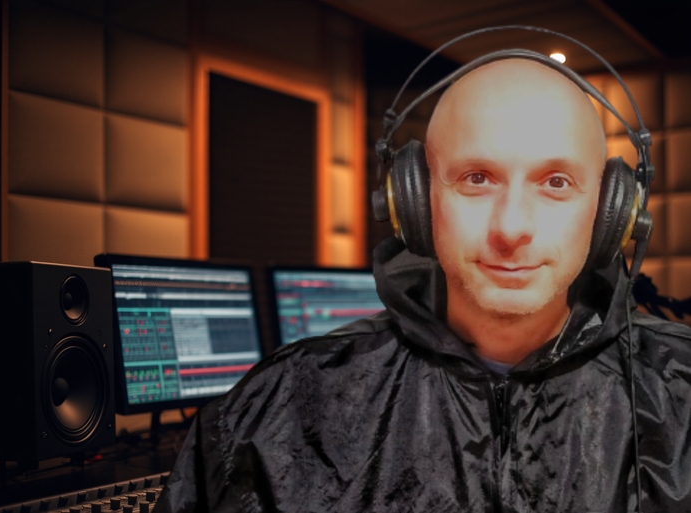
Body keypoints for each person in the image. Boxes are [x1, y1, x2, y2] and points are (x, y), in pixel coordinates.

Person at [155, 54, 691, 512]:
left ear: (613, 211)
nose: (511, 227)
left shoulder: (682, 398)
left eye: (555, 182)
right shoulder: (280, 409)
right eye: (476, 179)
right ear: (413, 201)